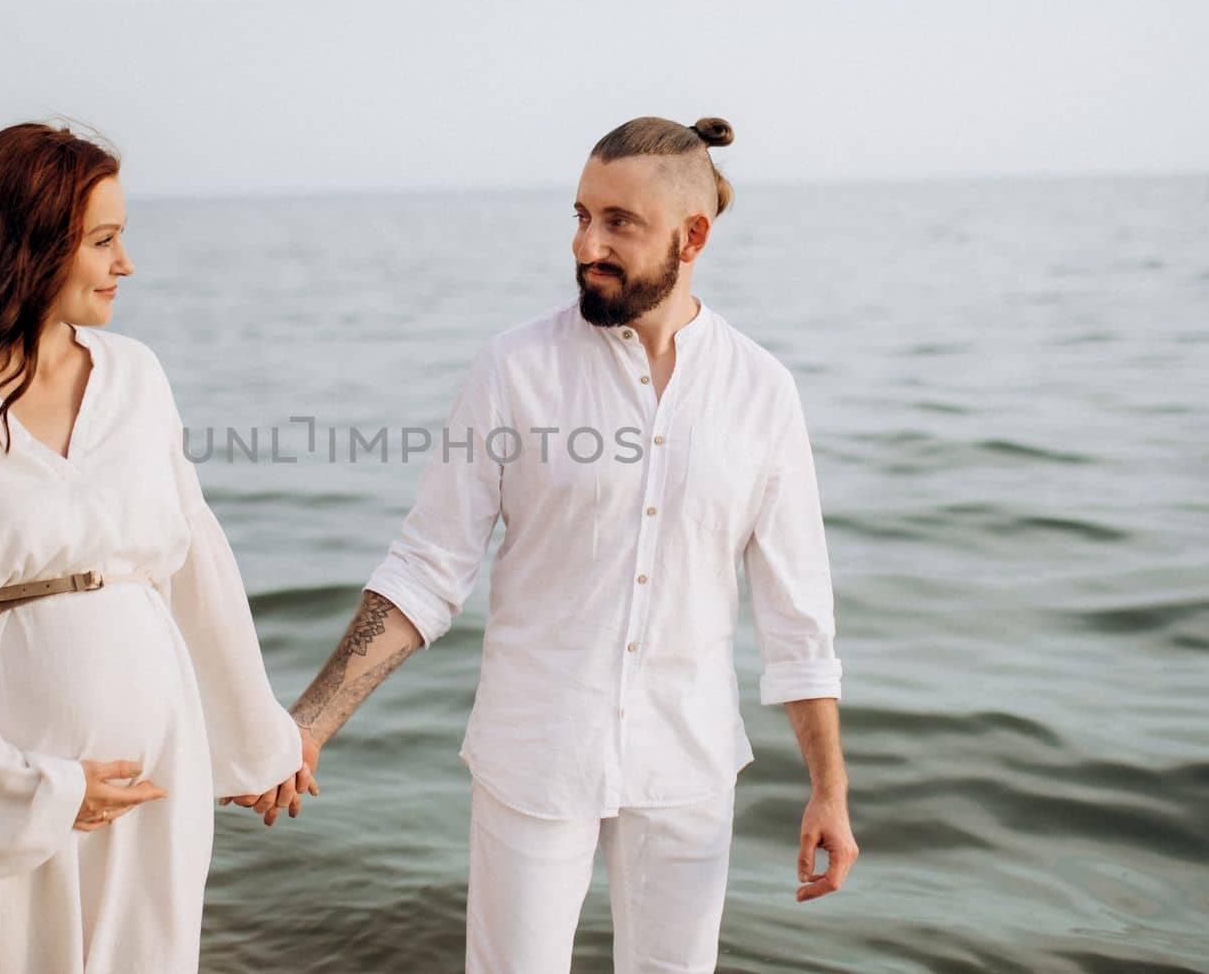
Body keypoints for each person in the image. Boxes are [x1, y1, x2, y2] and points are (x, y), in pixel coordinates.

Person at [233, 116, 859, 971]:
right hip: (535, 756)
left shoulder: (762, 391)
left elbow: (798, 615)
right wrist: (312, 721)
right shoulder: (513, 368)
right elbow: (427, 566)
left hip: (689, 767)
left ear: (694, 236)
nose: (586, 245)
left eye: (618, 223)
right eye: (579, 216)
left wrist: (829, 787)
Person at [0, 122, 301, 972]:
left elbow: (195, 566)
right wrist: (33, 790)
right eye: (102, 240)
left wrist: (257, 740)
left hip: (150, 782)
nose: (124, 263)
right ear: (24, 247)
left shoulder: (137, 377)